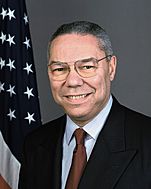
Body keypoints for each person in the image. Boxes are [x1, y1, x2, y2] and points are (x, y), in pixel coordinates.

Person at [18, 21, 151, 189]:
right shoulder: (34, 144)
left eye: (87, 66)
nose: (73, 81)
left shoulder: (146, 140)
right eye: (60, 69)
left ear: (111, 68)